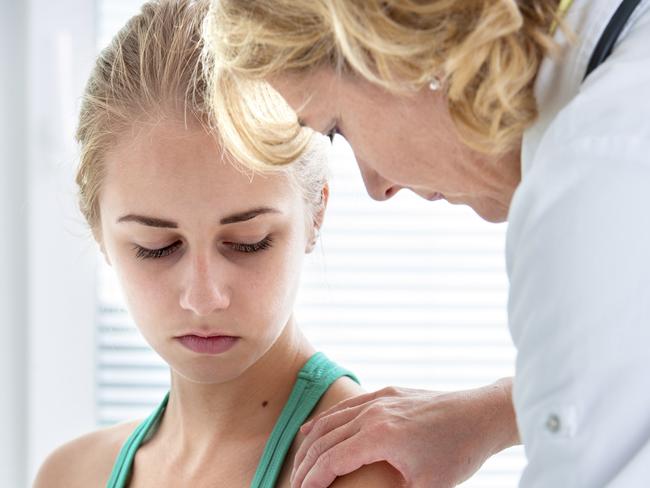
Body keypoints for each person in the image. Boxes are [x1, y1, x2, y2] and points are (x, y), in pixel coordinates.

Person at [205, 0, 650, 486]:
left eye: (336, 128)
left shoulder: (595, 180)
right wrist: (498, 411)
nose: (377, 187)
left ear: (399, 47)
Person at [32, 1, 405, 486]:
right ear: (100, 231)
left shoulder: (365, 469)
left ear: (316, 212)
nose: (204, 296)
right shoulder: (69, 475)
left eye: (248, 242)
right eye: (156, 246)